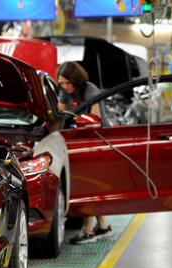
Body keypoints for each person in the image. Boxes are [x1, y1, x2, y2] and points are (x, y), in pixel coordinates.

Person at [56, 61, 112, 244]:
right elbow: (60, 115)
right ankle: (103, 227)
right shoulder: (66, 90)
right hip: (79, 138)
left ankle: (88, 229)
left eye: (67, 83)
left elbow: (95, 119)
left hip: (97, 138)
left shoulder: (90, 90)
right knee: (88, 184)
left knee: (89, 185)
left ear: (76, 80)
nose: (64, 87)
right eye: (61, 83)